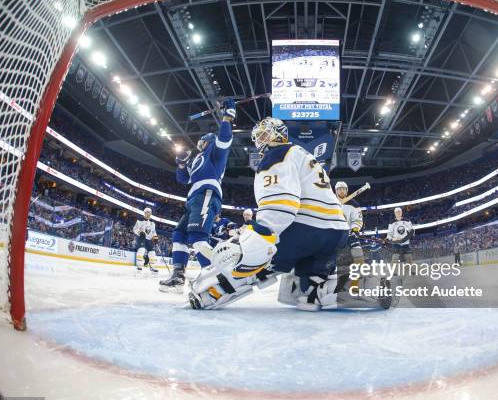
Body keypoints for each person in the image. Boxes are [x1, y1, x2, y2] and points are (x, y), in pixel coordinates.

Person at [188, 117, 350, 311]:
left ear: (279, 133)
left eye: (265, 134)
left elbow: (280, 209)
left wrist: (256, 238)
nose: (260, 139)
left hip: (308, 230)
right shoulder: (300, 153)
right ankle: (328, 288)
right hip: (337, 232)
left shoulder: (277, 155)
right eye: (259, 136)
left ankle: (211, 292)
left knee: (254, 256)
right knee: (305, 288)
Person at [159, 98, 236, 293]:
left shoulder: (214, 152)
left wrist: (227, 117)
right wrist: (182, 164)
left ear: (209, 141)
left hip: (206, 194)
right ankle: (178, 276)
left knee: (197, 237)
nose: (198, 143)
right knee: (180, 234)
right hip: (194, 198)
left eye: (202, 140)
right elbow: (183, 180)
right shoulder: (197, 159)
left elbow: (225, 139)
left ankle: (219, 276)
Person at [334, 181, 365, 264]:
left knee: (356, 247)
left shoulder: (354, 204)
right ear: (336, 191)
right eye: (339, 189)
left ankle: (360, 269)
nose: (341, 191)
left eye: (343, 189)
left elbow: (357, 220)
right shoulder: (330, 203)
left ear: (347, 190)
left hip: (349, 233)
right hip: (334, 234)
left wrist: (354, 229)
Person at [133, 207, 158, 273]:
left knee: (152, 253)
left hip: (149, 239)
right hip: (142, 238)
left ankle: (153, 267)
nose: (148, 213)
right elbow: (135, 229)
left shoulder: (153, 222)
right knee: (141, 250)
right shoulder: (140, 219)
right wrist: (140, 232)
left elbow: (153, 231)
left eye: (150, 212)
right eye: (147, 212)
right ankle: (139, 266)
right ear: (144, 212)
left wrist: (155, 237)